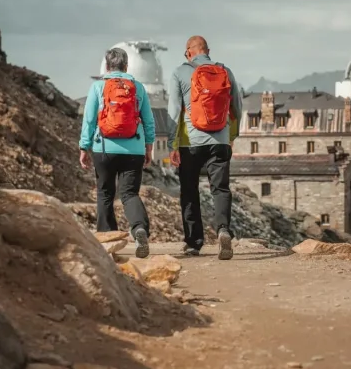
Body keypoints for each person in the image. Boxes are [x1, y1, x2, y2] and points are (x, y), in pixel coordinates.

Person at [165, 35, 242, 259]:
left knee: (189, 191)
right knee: (220, 189)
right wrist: (231, 136)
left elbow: (174, 110)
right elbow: (236, 105)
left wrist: (173, 144)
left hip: (191, 143)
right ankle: (223, 230)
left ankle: (193, 243)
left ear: (189, 52)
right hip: (219, 141)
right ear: (208, 50)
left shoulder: (180, 72)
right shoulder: (225, 71)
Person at [79, 47, 156, 258]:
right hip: (134, 150)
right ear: (126, 66)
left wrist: (84, 147)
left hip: (103, 149)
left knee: (105, 194)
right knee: (129, 193)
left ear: (106, 66)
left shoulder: (97, 87)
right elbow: (149, 120)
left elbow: (89, 120)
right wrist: (148, 147)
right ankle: (139, 228)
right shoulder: (137, 88)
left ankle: (107, 242)